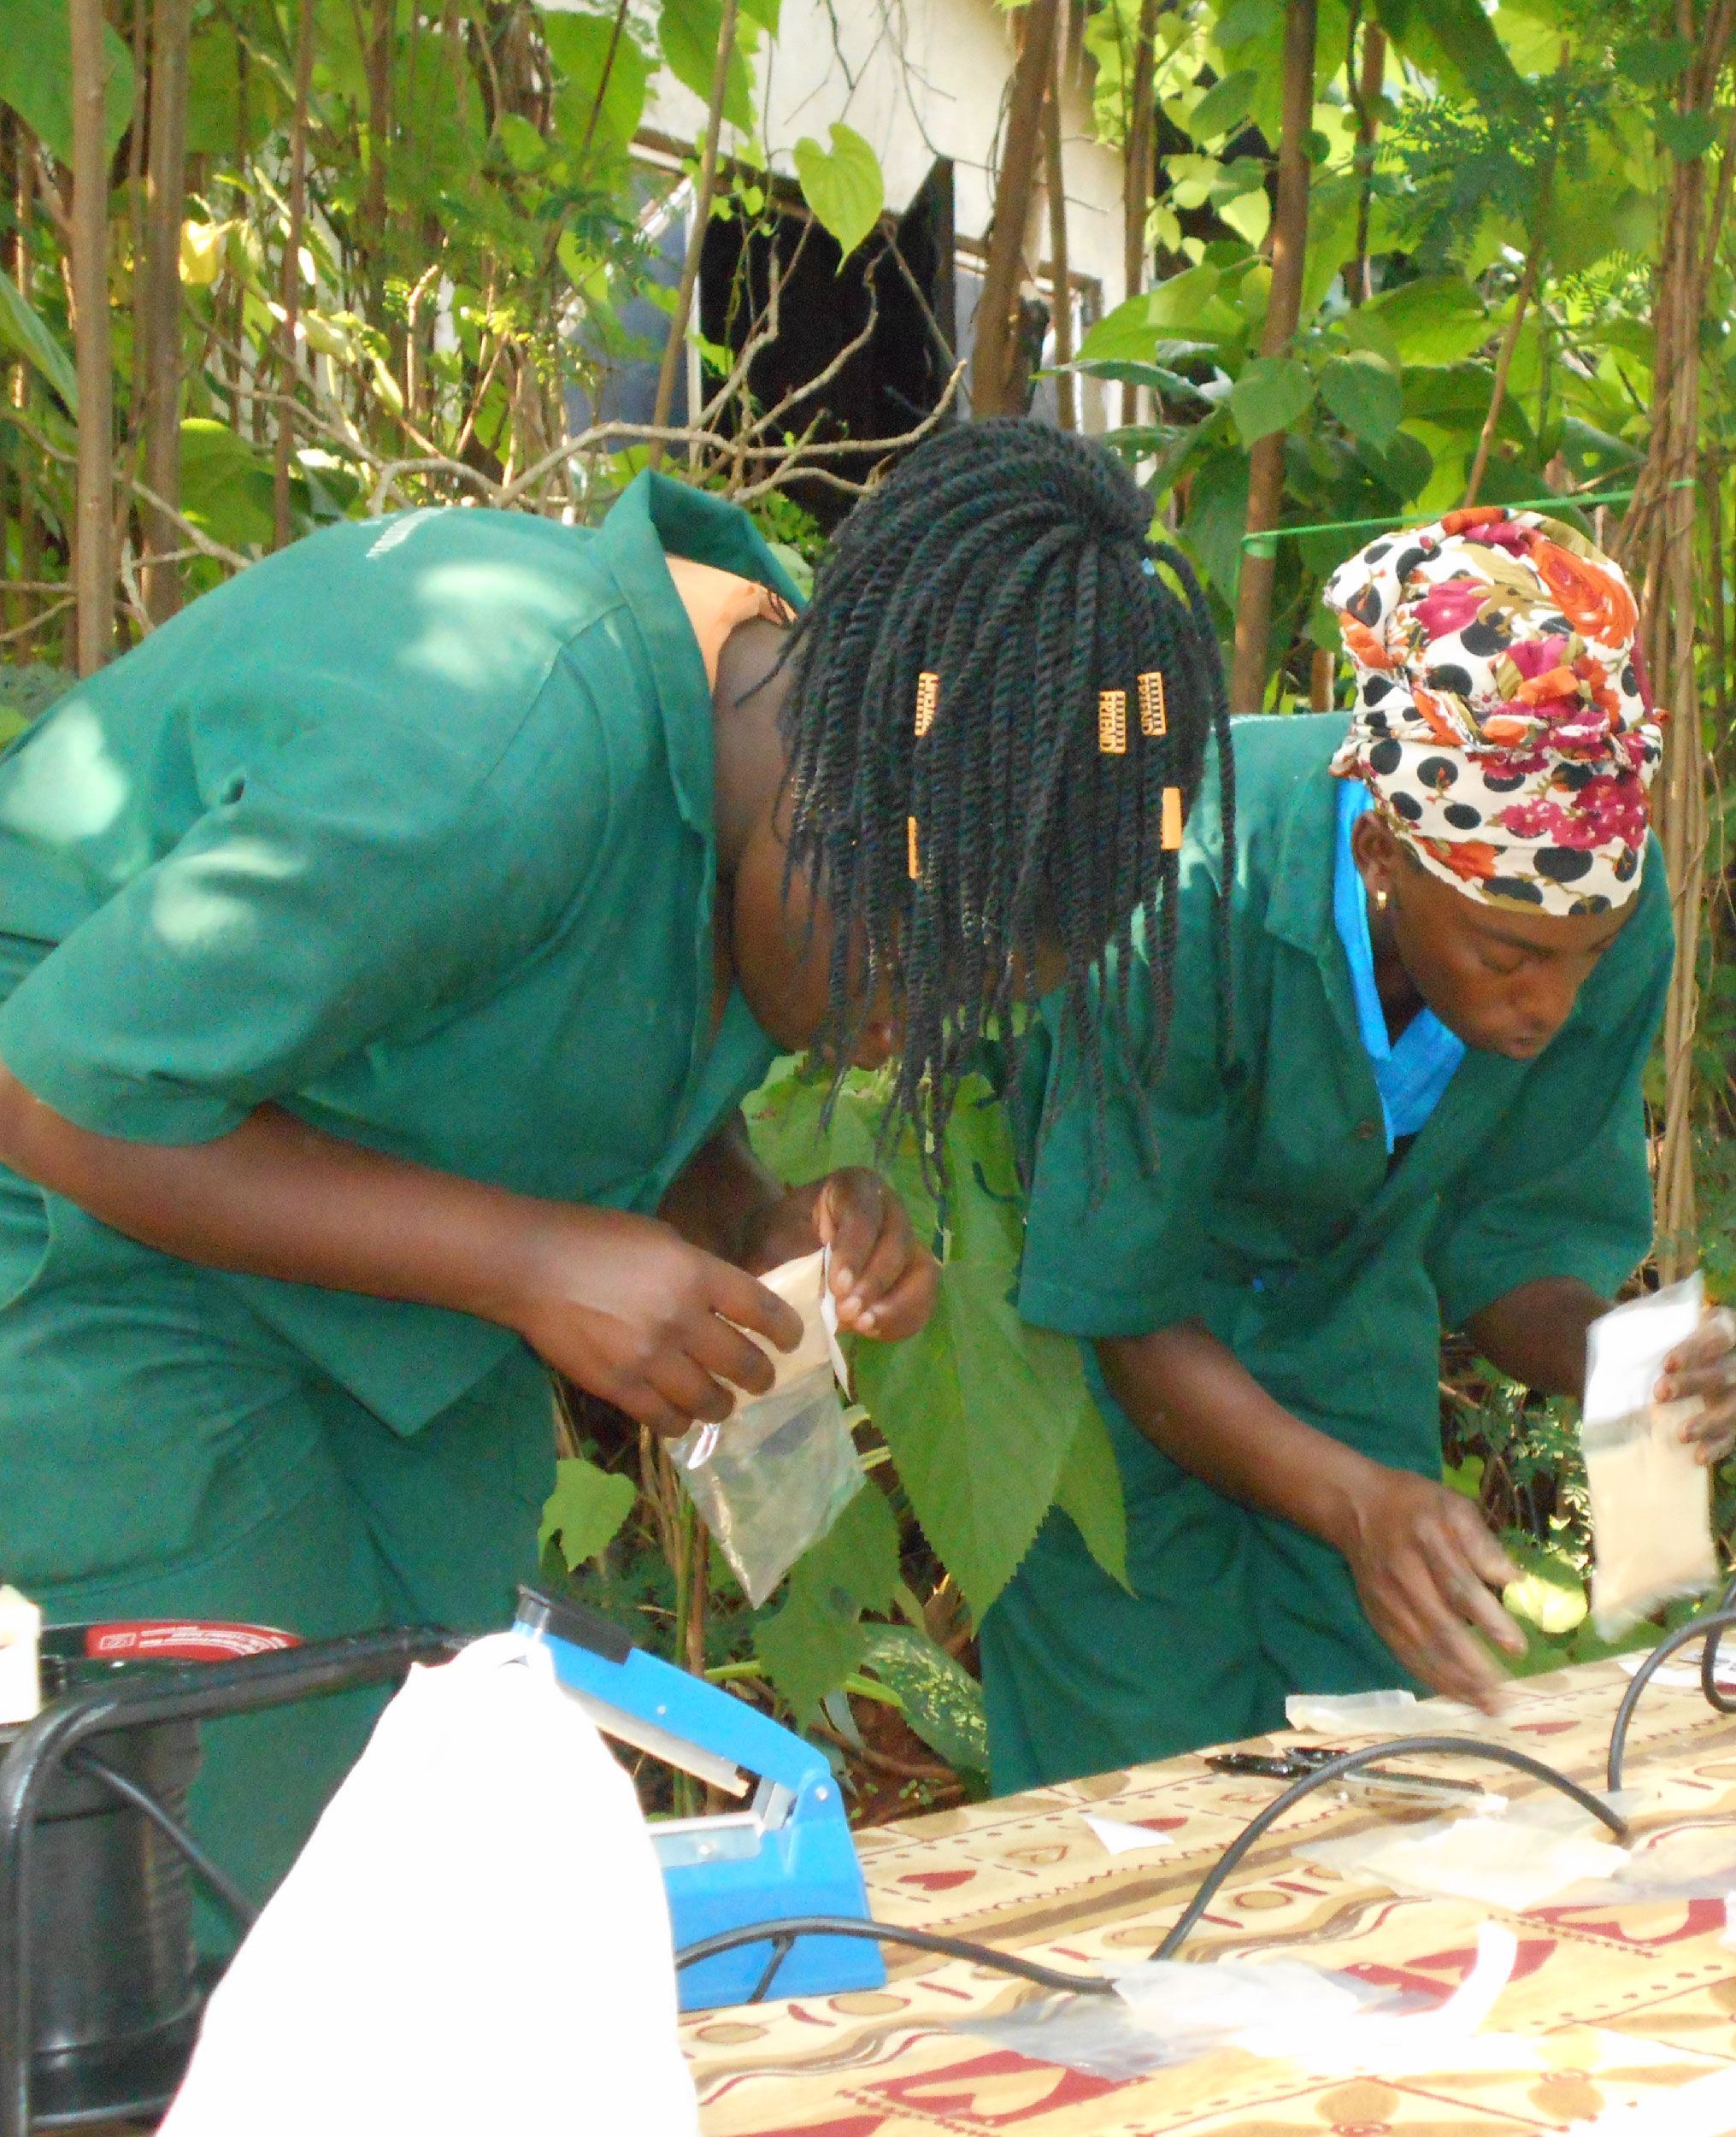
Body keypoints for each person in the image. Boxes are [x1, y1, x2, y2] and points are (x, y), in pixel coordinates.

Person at [0, 419, 1227, 1909]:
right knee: (216, 1870)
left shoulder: (807, 735)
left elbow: (599, 1049)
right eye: (907, 981)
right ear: (841, 809)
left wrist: (753, 1216)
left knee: (434, 1823)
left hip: (364, 1282)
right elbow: (59, 1093)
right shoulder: (491, 747)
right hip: (85, 1243)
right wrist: (532, 1263)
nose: (887, 1041)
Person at [984, 503, 1736, 1793]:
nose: (1549, 1004)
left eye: (1587, 959)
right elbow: (1123, 1301)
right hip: (1111, 1378)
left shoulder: (1594, 902)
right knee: (1131, 1813)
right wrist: (1354, 1506)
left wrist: (1622, 1362)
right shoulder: (1182, 882)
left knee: (1382, 1776)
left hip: (1346, 1361)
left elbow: (1516, 1253)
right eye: (1507, 955)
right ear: (1383, 853)